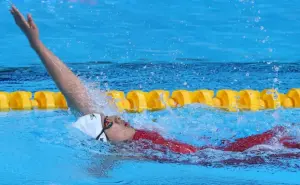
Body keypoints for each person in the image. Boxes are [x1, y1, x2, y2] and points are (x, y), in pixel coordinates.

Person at [10, 5, 300, 156]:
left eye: (108, 117)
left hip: (227, 150)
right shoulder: (121, 152)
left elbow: (75, 93)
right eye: (109, 122)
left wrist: (36, 45)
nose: (117, 118)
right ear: (104, 140)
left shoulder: (119, 133)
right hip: (227, 158)